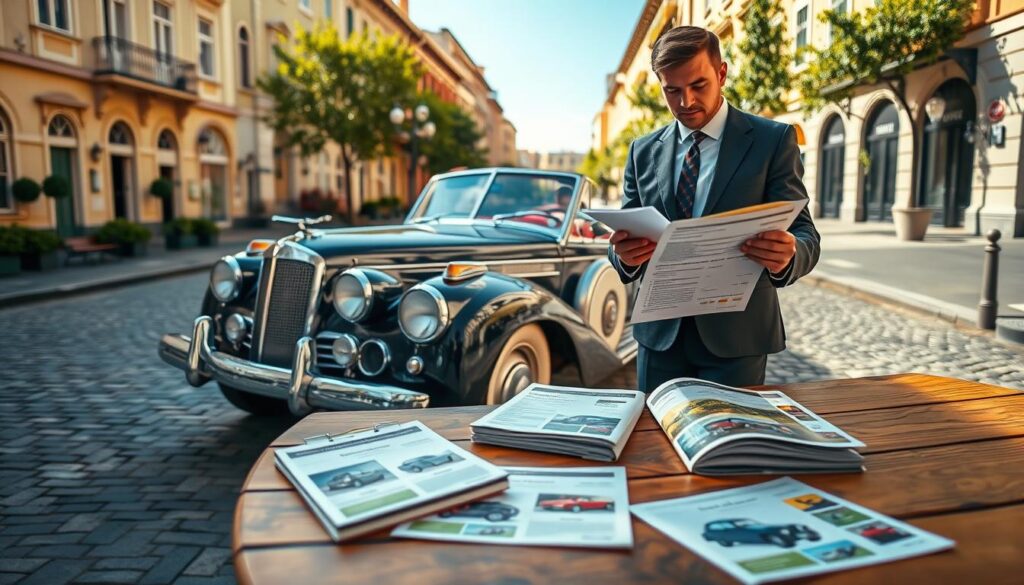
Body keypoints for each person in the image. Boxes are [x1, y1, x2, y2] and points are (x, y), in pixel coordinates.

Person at [608, 26, 820, 391]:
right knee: (652, 443)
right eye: (671, 90)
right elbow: (624, 237)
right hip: (660, 339)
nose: (686, 101)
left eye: (698, 85)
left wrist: (790, 254)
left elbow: (805, 234)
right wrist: (623, 255)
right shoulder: (641, 151)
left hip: (736, 340)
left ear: (721, 73)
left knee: (729, 446)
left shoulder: (773, 140)